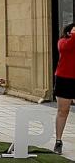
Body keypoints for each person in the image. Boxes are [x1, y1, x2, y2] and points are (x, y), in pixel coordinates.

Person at [54, 23, 75, 154]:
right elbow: (67, 47)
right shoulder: (63, 41)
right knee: (63, 110)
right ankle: (58, 141)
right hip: (64, 79)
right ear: (68, 32)